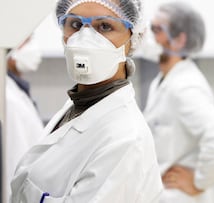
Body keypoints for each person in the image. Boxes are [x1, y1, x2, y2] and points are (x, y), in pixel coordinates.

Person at [10, 0, 162, 202]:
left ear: (134, 38)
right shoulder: (79, 106)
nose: (84, 37)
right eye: (75, 24)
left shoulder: (125, 139)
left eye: (105, 26)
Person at [143, 2, 214, 203]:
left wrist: (198, 182)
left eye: (156, 30)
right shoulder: (163, 81)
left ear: (179, 40)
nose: (149, 37)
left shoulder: (185, 87)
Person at [5, 36, 44, 198]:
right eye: (26, 41)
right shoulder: (7, 98)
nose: (32, 48)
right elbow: (13, 162)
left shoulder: (15, 90)